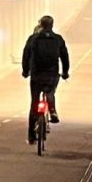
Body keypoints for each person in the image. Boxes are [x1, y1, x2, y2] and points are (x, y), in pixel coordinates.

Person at [22, 14, 71, 142]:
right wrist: (65, 72)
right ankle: (52, 110)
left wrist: (25, 71)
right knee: (50, 92)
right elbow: (65, 57)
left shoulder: (33, 39)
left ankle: (31, 136)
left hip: (36, 75)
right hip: (52, 75)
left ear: (41, 25)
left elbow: (26, 56)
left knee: (34, 102)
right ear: (52, 25)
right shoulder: (58, 39)